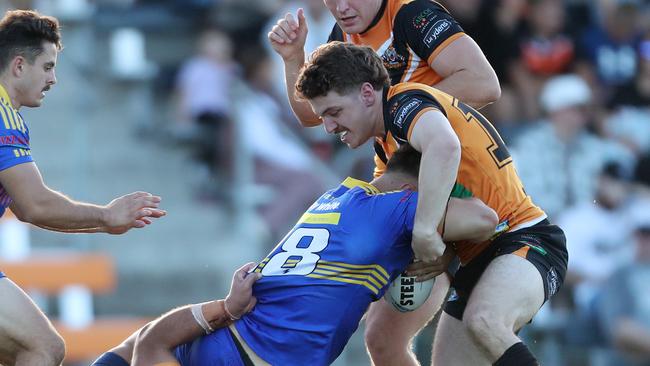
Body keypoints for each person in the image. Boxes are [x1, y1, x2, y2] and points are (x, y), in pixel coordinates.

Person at [92, 144, 499, 366]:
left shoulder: (338, 196)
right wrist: (431, 239)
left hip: (237, 341)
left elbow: (149, 342)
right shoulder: (397, 208)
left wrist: (223, 308)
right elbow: (484, 219)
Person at [296, 42, 568, 365]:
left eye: (334, 112)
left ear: (368, 94)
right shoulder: (387, 143)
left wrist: (425, 231)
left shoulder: (403, 103)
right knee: (381, 338)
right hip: (472, 257)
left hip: (526, 239)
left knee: (484, 320)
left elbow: (445, 147)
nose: (328, 127)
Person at [268, 2, 501, 363]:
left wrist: (397, 108)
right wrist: (292, 59)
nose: (341, 7)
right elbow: (313, 115)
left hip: (449, 173)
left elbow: (484, 84)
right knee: (381, 340)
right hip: (403, 178)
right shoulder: (344, 33)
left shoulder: (413, 15)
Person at [0, 10, 165, 366]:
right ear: (18, 66)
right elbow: (34, 205)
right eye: (47, 67)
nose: (54, 78)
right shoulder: (3, 116)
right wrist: (106, 216)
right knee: (44, 348)